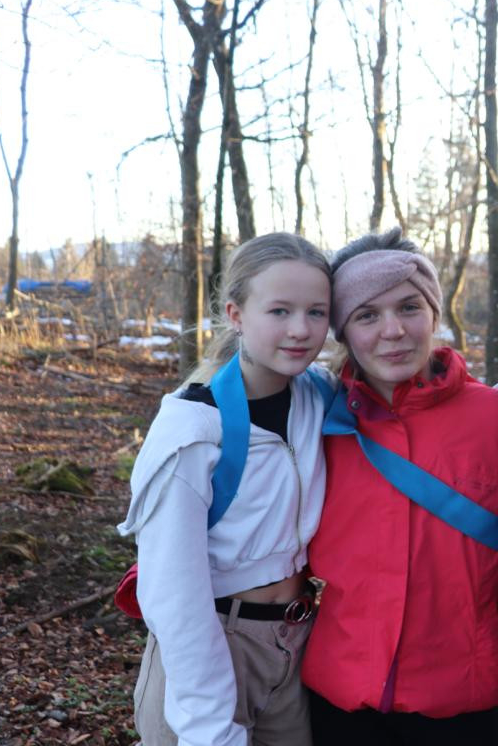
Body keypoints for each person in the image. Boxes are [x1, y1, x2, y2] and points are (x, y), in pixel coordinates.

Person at [303, 229, 498, 746]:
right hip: (340, 704)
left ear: (434, 314)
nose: (393, 331)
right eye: (366, 315)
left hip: (461, 706)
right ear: (343, 331)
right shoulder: (316, 422)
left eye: (409, 307)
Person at [118, 232, 333, 745]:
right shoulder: (193, 433)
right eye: (279, 311)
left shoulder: (319, 394)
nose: (301, 329)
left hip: (296, 644)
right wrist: (209, 725)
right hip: (210, 651)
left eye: (317, 312)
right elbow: (175, 596)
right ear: (236, 314)